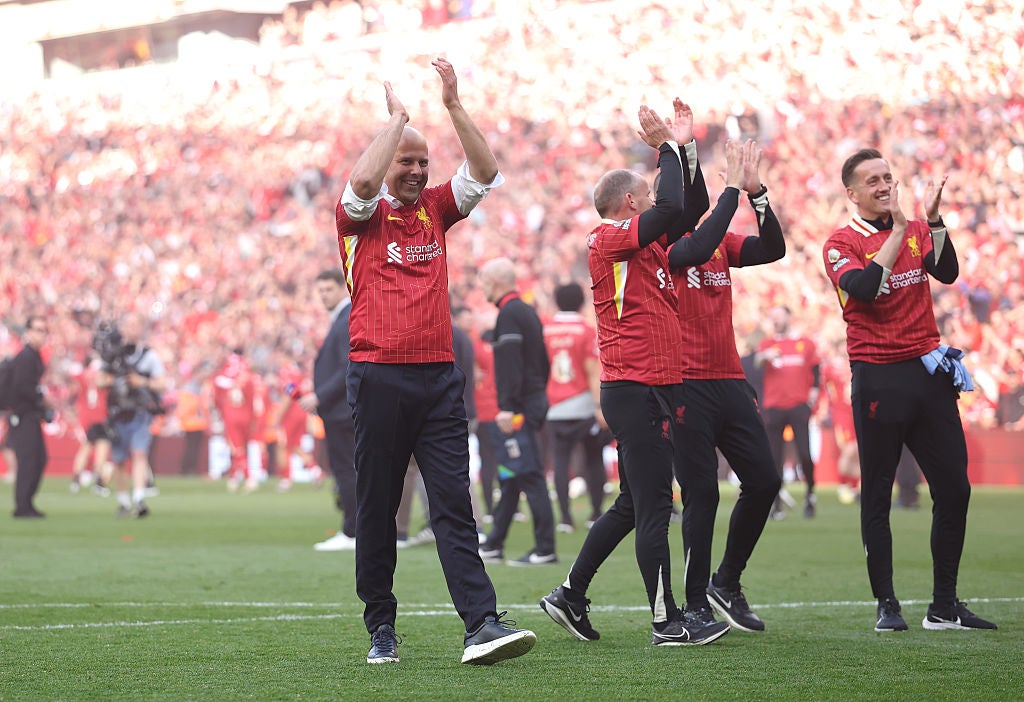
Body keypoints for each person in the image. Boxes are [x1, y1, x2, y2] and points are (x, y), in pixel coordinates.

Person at [334, 57, 536, 665]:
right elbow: (364, 186)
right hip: (378, 376)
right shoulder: (356, 218)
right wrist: (397, 121)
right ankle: (381, 627)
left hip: (439, 378)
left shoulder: (438, 210)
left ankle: (480, 623)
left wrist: (452, 107)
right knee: (378, 508)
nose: (419, 170)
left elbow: (486, 170)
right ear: (389, 155)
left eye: (424, 162)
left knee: (454, 505)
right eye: (409, 161)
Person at [542, 99, 729, 646]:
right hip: (635, 387)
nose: (655, 205)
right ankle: (665, 622)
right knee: (654, 509)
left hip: (654, 386)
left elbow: (683, 205)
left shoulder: (644, 245)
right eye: (644, 198)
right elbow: (671, 207)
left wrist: (684, 148)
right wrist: (664, 148)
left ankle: (569, 596)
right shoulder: (607, 238)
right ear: (629, 203)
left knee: (633, 503)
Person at [822, 147, 996, 632]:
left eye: (887, 177)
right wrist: (899, 229)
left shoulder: (918, 228)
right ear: (852, 193)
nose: (883, 186)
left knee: (955, 489)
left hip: (928, 370)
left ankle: (943, 606)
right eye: (872, 180)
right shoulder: (840, 242)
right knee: (877, 493)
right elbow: (865, 290)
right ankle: (887, 605)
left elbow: (947, 273)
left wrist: (934, 220)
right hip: (879, 375)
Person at [665, 139, 785, 634]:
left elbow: (772, 248)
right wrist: (733, 189)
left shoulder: (715, 240)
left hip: (730, 380)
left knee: (765, 481)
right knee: (701, 495)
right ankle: (694, 605)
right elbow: (698, 243)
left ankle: (726, 581)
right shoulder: (663, 244)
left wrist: (757, 196)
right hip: (686, 385)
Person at [476, 257, 556, 565]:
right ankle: (495, 542)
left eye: (483, 281)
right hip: (531, 401)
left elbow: (510, 366)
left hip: (518, 409)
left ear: (495, 282)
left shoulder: (509, 313)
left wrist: (508, 407)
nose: (481, 287)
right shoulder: (525, 310)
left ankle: (545, 547)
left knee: (529, 473)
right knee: (510, 474)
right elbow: (542, 361)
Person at [298, 268, 358, 552]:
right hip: (340, 410)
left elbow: (348, 365)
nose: (324, 295)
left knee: (347, 471)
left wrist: (319, 396)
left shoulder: (346, 318)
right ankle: (356, 529)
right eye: (320, 290)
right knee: (349, 470)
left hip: (342, 411)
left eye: (328, 289)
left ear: (342, 288)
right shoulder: (341, 319)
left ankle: (352, 531)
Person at [542, 281, 609, 531]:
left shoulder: (545, 330)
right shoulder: (586, 331)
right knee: (593, 458)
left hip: (554, 405)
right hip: (582, 404)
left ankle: (565, 518)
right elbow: (593, 371)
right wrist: (598, 406)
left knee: (559, 461)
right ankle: (595, 513)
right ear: (581, 302)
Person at [755, 305, 821, 518]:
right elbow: (756, 361)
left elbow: (816, 369)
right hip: (774, 407)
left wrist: (813, 391)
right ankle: (776, 504)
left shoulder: (805, 343)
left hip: (798, 405)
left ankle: (810, 494)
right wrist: (765, 355)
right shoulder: (767, 343)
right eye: (772, 317)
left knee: (804, 453)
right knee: (775, 458)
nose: (775, 321)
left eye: (778, 316)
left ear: (789, 317)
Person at [98, 312, 165, 518]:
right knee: (119, 459)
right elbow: (100, 380)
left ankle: (138, 498)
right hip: (118, 413)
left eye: (135, 325)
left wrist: (141, 382)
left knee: (139, 453)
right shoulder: (113, 354)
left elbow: (162, 383)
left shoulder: (149, 355)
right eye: (127, 325)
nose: (131, 329)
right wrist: (117, 379)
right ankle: (123, 501)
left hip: (139, 413)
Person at [7, 316, 50, 518]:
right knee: (29, 461)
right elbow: (22, 387)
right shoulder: (26, 357)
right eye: (38, 330)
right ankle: (22, 506)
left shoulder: (33, 356)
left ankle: (26, 503)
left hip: (29, 415)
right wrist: (41, 397)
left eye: (44, 330)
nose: (41, 334)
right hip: (23, 415)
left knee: (37, 459)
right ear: (28, 331)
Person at [213, 349, 259, 492]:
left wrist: (220, 412)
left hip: (231, 414)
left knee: (236, 447)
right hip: (246, 415)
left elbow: (216, 397)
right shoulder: (249, 376)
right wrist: (253, 419)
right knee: (240, 447)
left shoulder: (223, 376)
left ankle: (249, 478)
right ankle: (233, 477)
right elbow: (253, 399)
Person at [69, 356, 111, 493]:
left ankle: (76, 480)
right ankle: (99, 482)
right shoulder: (99, 376)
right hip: (100, 416)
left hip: (85, 417)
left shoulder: (82, 375)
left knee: (85, 448)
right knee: (102, 448)